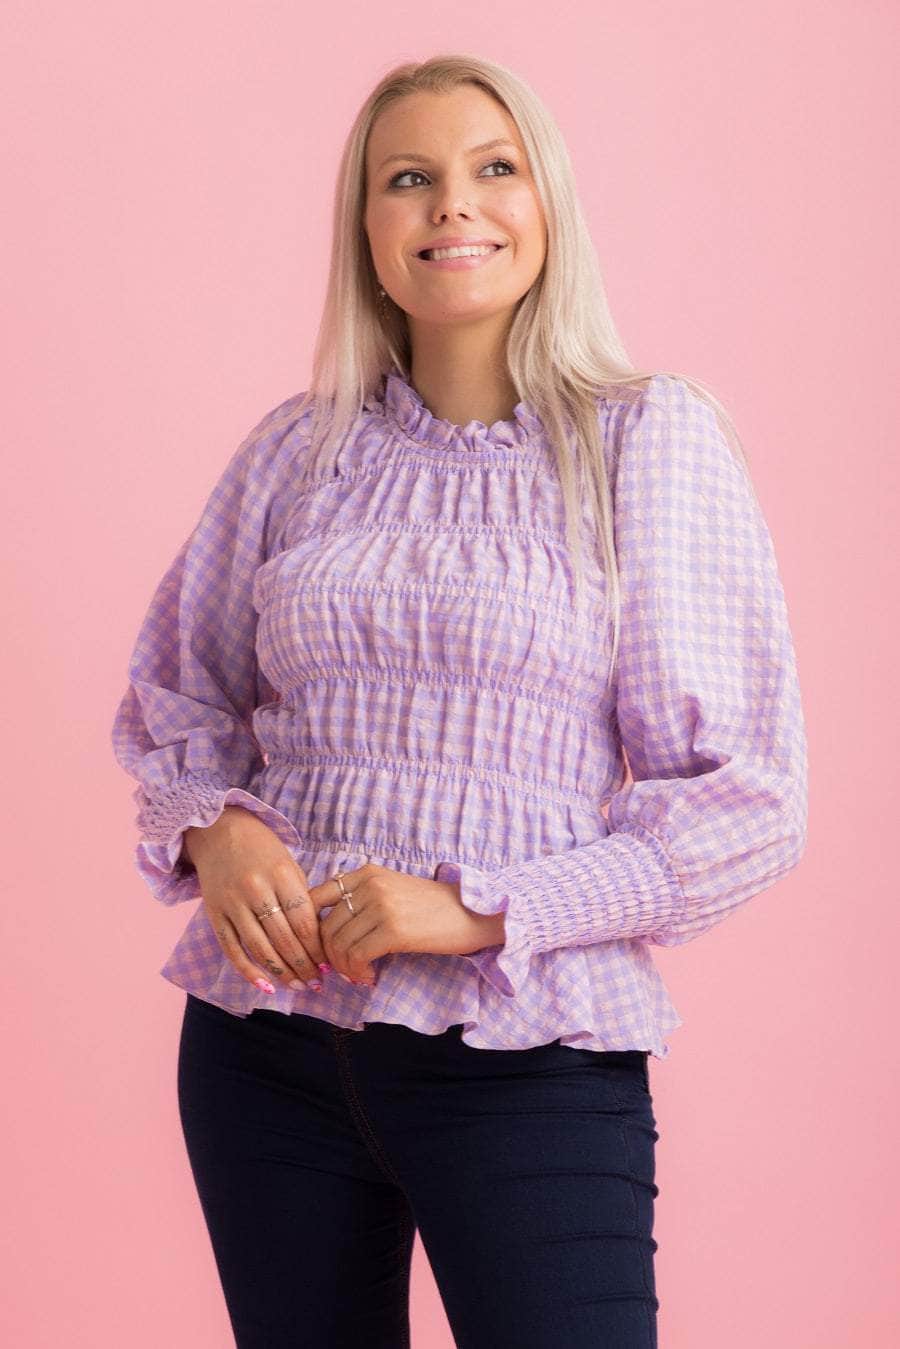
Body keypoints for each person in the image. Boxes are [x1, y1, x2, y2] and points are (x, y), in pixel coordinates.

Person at [110, 53, 808, 1349]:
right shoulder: (297, 450)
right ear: (368, 233)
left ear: (547, 206)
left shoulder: (646, 441)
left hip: (526, 1056)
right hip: (267, 1050)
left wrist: (480, 908)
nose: (453, 205)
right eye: (409, 179)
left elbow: (748, 799)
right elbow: (180, 693)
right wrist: (221, 830)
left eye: (494, 168)